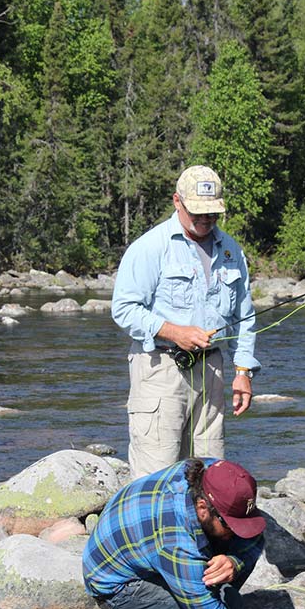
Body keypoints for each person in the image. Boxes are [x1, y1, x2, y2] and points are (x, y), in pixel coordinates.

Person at [82, 457, 305, 609]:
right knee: (226, 607)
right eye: (230, 524)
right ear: (202, 507)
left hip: (144, 548)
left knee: (230, 570)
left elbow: (253, 536)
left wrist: (235, 561)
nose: (237, 531)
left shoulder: (216, 475)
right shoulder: (176, 542)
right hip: (118, 586)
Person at [111, 165, 260, 479]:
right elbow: (123, 309)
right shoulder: (151, 247)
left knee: (208, 474)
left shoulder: (231, 250)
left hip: (212, 372)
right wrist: (173, 332)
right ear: (177, 201)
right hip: (160, 370)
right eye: (198, 212)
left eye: (212, 212)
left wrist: (243, 371)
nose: (205, 219)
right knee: (156, 475)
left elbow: (245, 317)